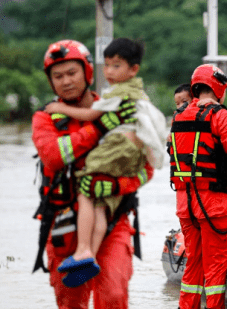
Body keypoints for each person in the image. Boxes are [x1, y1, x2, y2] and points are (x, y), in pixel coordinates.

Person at [32, 39, 154, 309]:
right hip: (63, 224)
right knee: (71, 308)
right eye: (58, 76)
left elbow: (147, 168)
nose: (66, 81)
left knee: (112, 295)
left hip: (114, 220)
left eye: (72, 73)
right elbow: (54, 156)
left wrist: (115, 185)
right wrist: (99, 126)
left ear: (87, 72)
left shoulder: (119, 107)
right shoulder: (44, 118)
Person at [43, 38, 167, 286]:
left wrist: (60, 108)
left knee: (86, 189)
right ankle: (88, 254)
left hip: (115, 169)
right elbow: (52, 156)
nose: (109, 72)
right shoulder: (134, 95)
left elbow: (90, 115)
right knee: (99, 203)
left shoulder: (113, 97)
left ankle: (84, 249)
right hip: (65, 219)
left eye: (72, 73)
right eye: (107, 66)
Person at [168, 64, 227, 309]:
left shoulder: (179, 116)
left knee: (193, 260)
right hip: (213, 202)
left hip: (185, 201)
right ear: (219, 87)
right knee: (216, 262)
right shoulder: (219, 116)